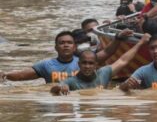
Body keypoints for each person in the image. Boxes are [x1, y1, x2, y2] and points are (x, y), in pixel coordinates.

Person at [0, 30, 131, 83]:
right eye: (62, 43)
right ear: (56, 47)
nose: (66, 45)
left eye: (69, 43)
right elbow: (22, 75)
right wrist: (5, 74)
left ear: (74, 47)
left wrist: (118, 38)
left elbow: (107, 53)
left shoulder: (85, 62)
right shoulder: (46, 65)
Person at [50, 33, 151, 94]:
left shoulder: (104, 73)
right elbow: (54, 90)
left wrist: (140, 43)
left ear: (96, 65)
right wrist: (59, 88)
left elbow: (123, 61)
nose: (87, 66)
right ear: (79, 64)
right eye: (84, 63)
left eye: (90, 63)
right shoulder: (71, 81)